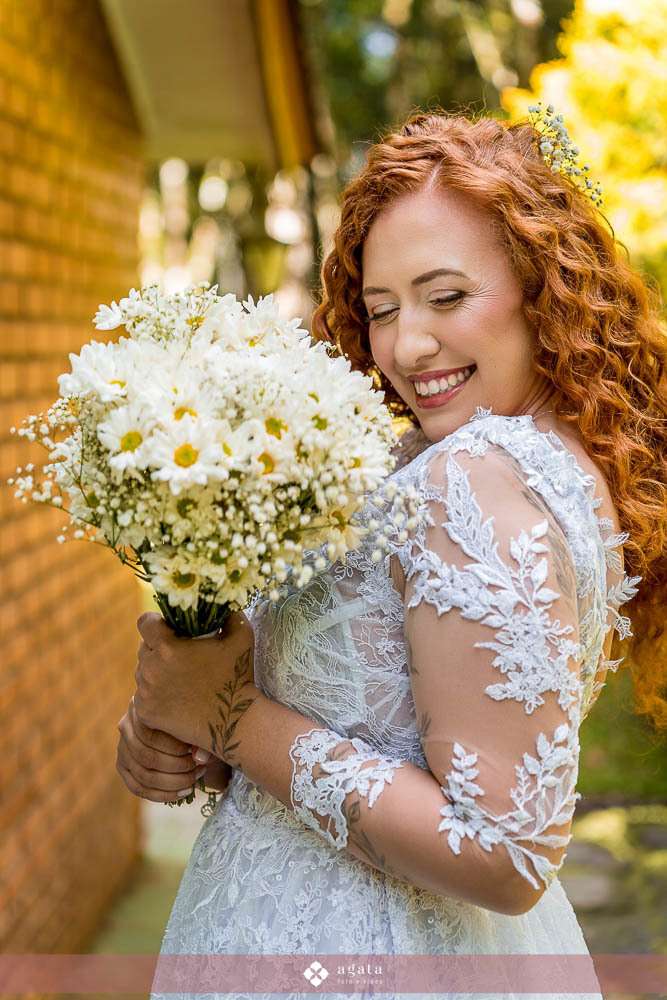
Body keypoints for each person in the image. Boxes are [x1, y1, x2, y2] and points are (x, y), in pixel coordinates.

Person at [116, 109, 667, 1000]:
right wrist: (183, 728)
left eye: (446, 297)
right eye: (381, 309)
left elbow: (505, 852)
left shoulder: (472, 481)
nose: (407, 346)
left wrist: (229, 721)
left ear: (541, 286)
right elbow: (378, 710)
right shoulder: (518, 462)